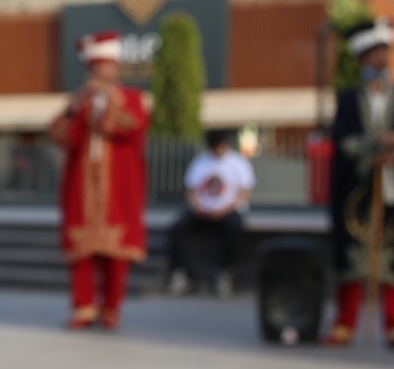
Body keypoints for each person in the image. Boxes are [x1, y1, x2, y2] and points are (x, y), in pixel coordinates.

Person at [324, 17, 394, 349]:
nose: (380, 59)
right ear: (361, 59)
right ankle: (345, 321)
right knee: (353, 252)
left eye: (384, 52)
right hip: (358, 190)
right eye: (374, 53)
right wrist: (371, 150)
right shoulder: (349, 99)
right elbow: (342, 138)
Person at [49, 31, 148, 329]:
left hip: (118, 185)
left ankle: (111, 308)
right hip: (82, 185)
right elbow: (59, 134)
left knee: (115, 253)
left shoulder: (130, 97)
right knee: (81, 248)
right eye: (96, 68)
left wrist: (111, 102)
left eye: (107, 67)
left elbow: (134, 127)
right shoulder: (81, 101)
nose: (102, 73)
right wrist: (75, 107)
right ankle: (84, 306)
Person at [168, 128, 254, 295]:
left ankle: (225, 272)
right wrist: (198, 207)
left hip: (227, 211)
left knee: (234, 229)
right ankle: (181, 274)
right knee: (177, 229)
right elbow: (191, 190)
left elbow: (244, 192)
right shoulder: (201, 162)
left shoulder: (237, 162)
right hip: (202, 211)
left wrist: (224, 210)